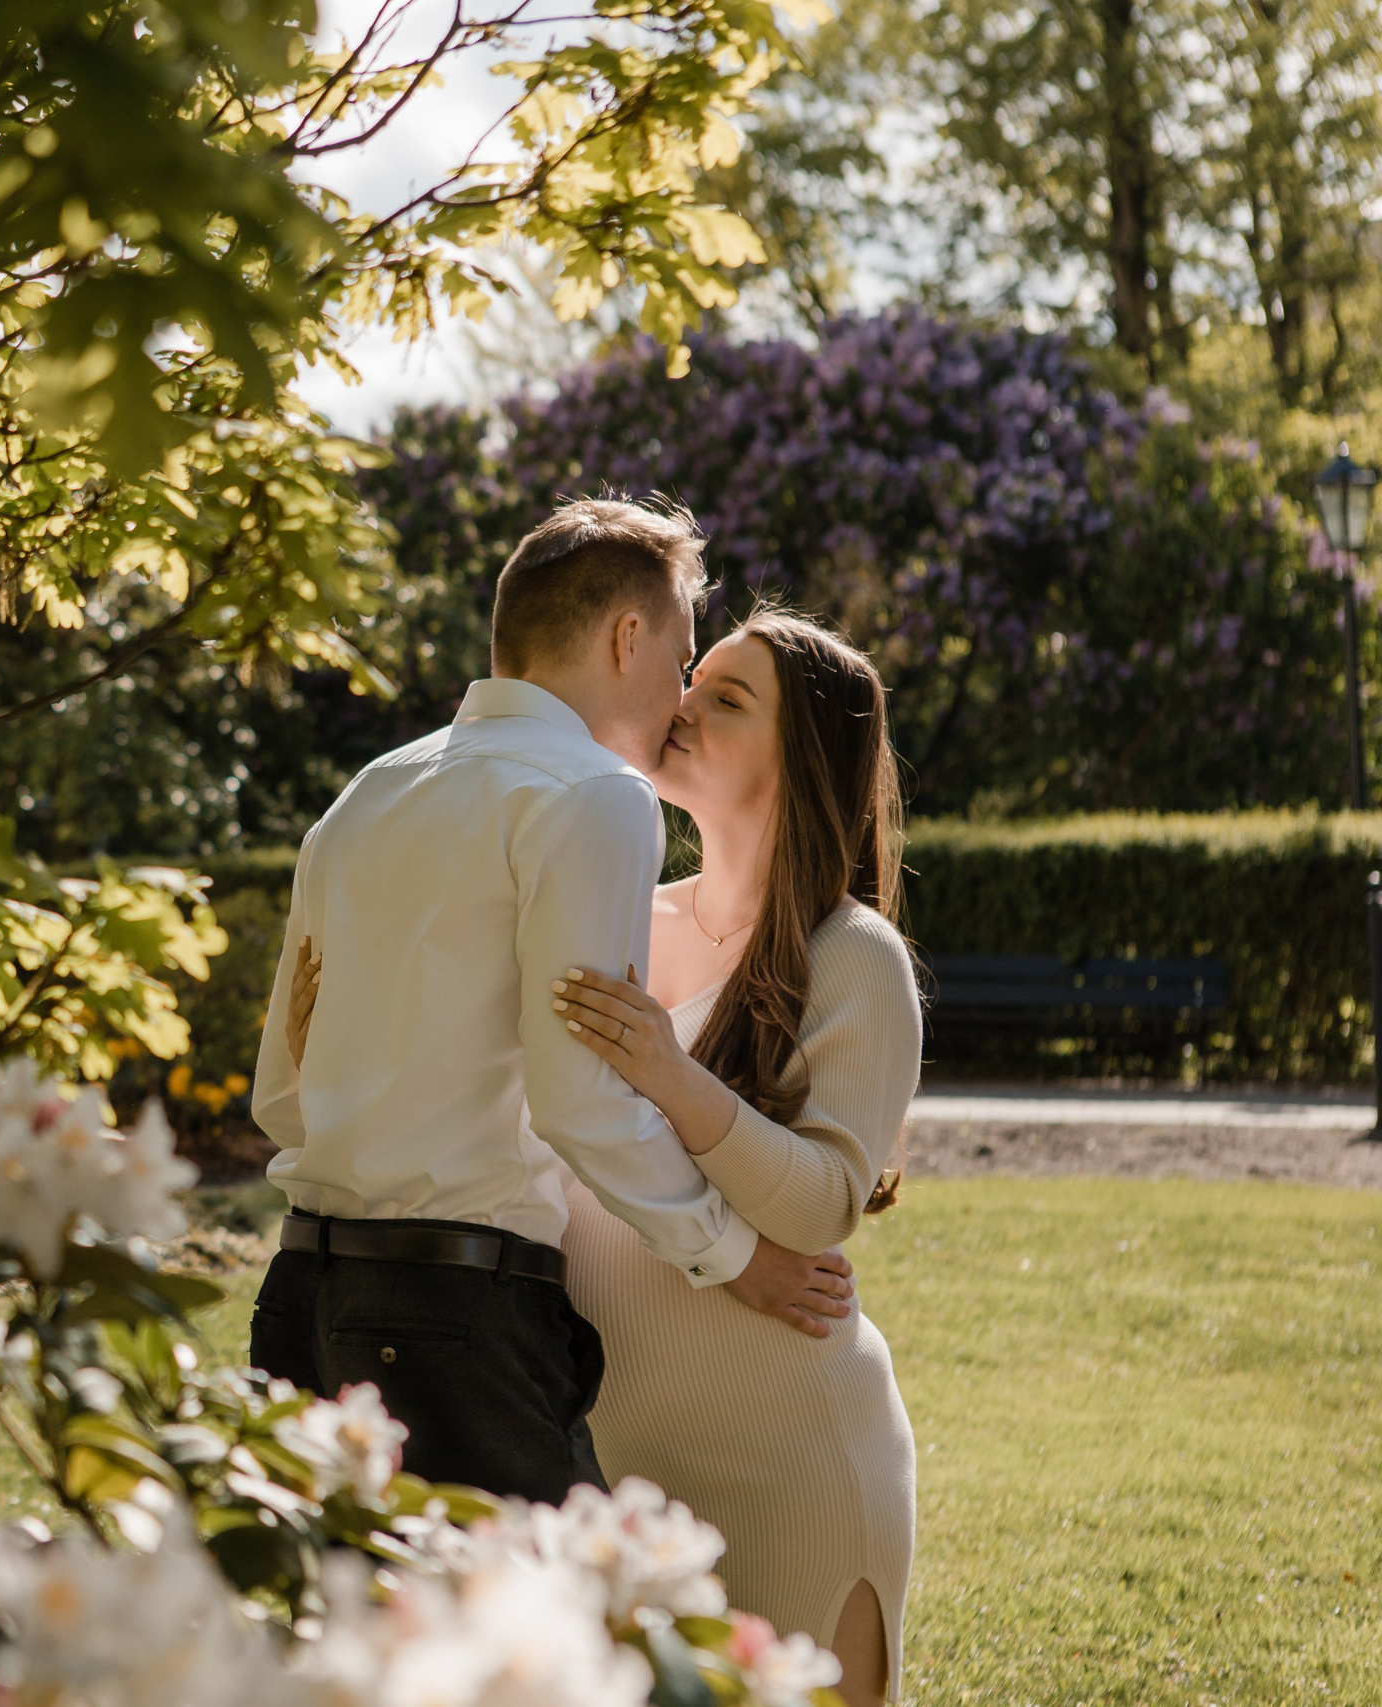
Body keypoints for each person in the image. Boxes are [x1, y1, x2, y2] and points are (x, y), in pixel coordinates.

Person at [289, 606, 922, 1707]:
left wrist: (671, 1077)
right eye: (694, 676)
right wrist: (331, 1027)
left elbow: (821, 1205)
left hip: (788, 1449)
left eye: (727, 699)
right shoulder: (615, 903)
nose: (681, 703)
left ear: (804, 758)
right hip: (601, 1450)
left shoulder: (853, 957)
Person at [245, 498, 857, 1511]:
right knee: (563, 1651)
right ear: (627, 637)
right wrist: (734, 1256)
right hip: (455, 1326)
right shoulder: (591, 796)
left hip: (301, 1303)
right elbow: (579, 1101)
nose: (682, 694)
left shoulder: (365, 796)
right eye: (682, 654)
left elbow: (283, 1102)